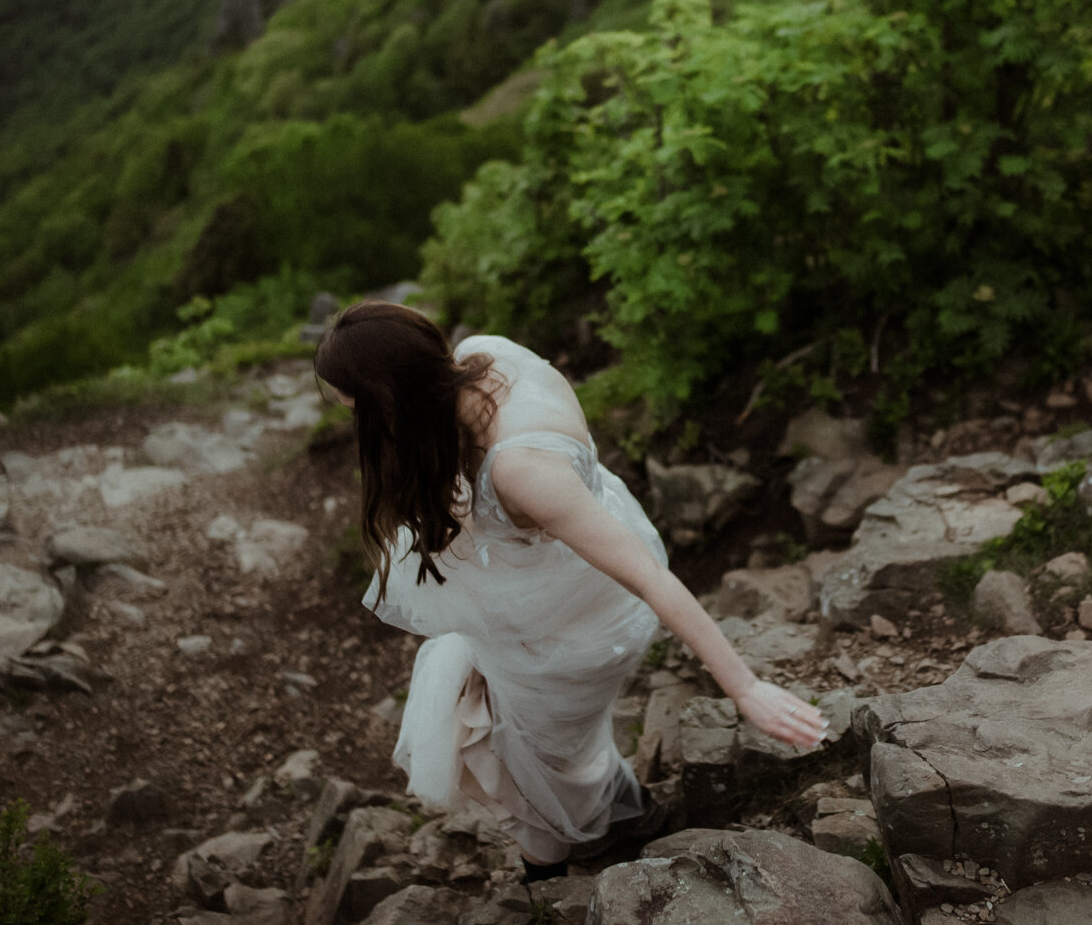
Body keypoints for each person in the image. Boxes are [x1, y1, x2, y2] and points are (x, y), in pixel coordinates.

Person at [313, 301, 826, 881]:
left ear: (390, 398)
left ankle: (548, 882)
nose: (350, 418)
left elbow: (650, 578)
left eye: (355, 406)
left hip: (576, 628)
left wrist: (746, 686)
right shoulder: (485, 354)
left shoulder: (521, 469)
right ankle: (625, 818)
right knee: (515, 729)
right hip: (567, 586)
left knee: (522, 752)